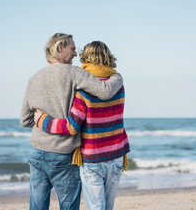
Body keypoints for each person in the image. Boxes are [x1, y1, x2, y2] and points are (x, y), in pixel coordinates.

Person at [20, 34, 123, 210]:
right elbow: (105, 92)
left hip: (37, 153)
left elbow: (26, 119)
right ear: (60, 48)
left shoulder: (34, 78)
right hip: (63, 154)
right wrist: (117, 77)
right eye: (73, 49)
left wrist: (43, 121)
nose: (76, 54)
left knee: (37, 207)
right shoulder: (75, 73)